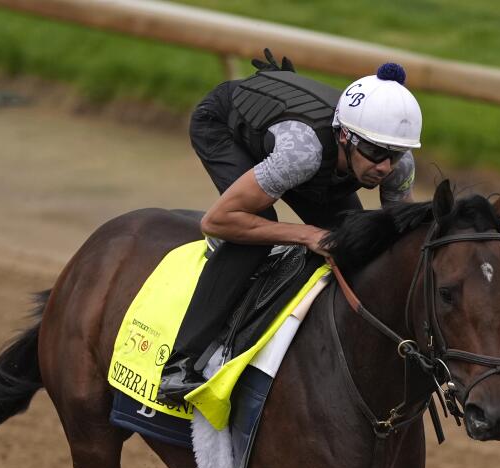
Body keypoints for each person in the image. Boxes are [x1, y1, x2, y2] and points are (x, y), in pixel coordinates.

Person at [156, 52, 423, 403]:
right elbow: (217, 220)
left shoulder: (396, 164)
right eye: (375, 152)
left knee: (355, 244)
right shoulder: (304, 154)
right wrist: (306, 235)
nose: (385, 167)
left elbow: (397, 241)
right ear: (345, 137)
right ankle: (181, 363)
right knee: (256, 232)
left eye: (397, 154)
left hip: (294, 146)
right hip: (224, 126)